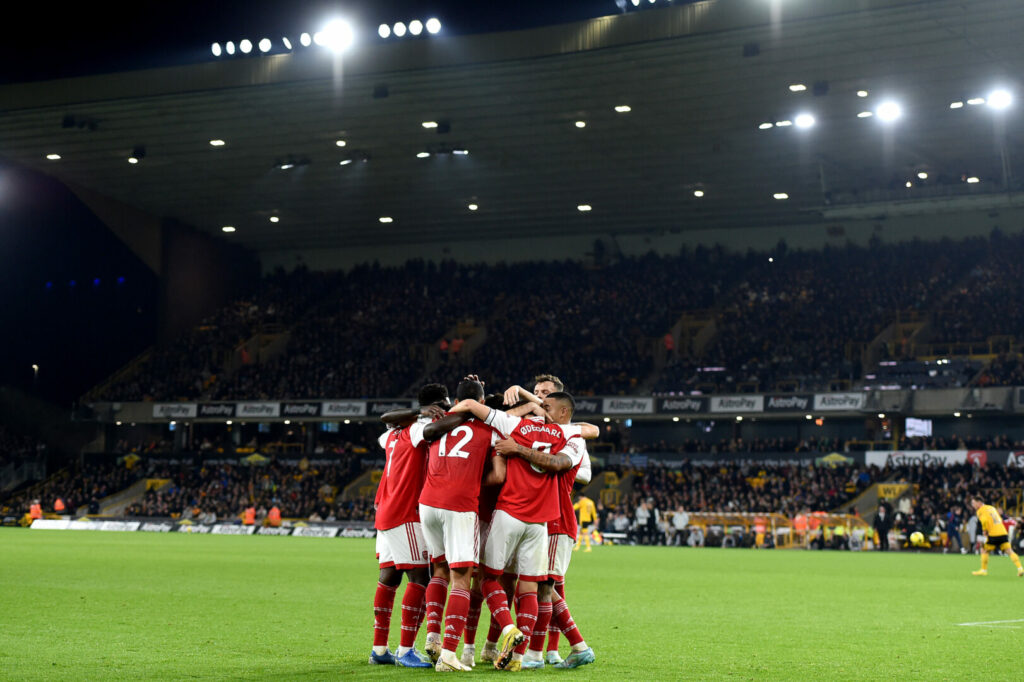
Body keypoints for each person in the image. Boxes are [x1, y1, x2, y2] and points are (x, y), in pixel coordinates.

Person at [448, 392, 588, 671]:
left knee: (489, 578)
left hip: (509, 513)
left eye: (546, 405)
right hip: (540, 522)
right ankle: (520, 657)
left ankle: (509, 628)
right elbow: (573, 448)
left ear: (561, 411)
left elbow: (476, 407)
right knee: (529, 589)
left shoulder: (516, 427)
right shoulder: (570, 436)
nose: (541, 408)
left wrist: (455, 408)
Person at [368, 383, 467, 668]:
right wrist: (468, 409)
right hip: (406, 513)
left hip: (385, 512)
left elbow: (387, 419)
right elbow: (434, 430)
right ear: (437, 405)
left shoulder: (389, 435)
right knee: (421, 579)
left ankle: (379, 649)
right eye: (445, 405)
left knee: (389, 578)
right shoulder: (417, 429)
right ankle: (405, 650)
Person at [417, 379, 506, 672]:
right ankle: (450, 654)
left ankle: (432, 635)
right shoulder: (489, 430)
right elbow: (497, 477)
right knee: (462, 577)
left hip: (428, 502)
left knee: (438, 569)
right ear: (479, 402)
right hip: (460, 505)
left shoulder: (438, 423)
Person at [969, 495, 1024, 577]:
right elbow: (999, 519)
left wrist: (984, 530)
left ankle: (983, 570)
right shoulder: (991, 508)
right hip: (1002, 531)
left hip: (994, 534)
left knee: (984, 549)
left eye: (973, 503)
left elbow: (984, 520)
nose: (972, 505)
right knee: (1009, 551)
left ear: (979, 503)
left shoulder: (980, 511)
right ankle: (1020, 568)